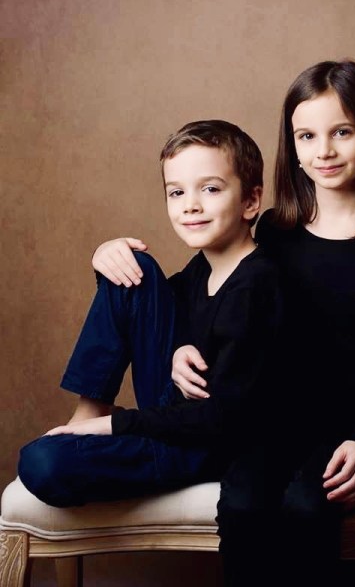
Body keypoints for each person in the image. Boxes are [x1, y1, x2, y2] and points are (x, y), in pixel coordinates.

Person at [93, 61, 355, 587]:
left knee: (307, 506)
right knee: (244, 503)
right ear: (291, 144)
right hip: (277, 419)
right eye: (307, 136)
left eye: (342, 132)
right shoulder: (276, 230)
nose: (324, 151)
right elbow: (195, 293)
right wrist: (175, 339)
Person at [17, 120, 282, 508]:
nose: (190, 205)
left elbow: (224, 418)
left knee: (42, 462)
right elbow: (141, 309)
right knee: (131, 266)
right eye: (177, 192)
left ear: (250, 202)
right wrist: (106, 255)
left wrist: (115, 426)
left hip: (208, 443)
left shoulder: (257, 285)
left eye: (210, 189)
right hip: (175, 413)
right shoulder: (201, 269)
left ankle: (97, 424)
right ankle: (88, 411)